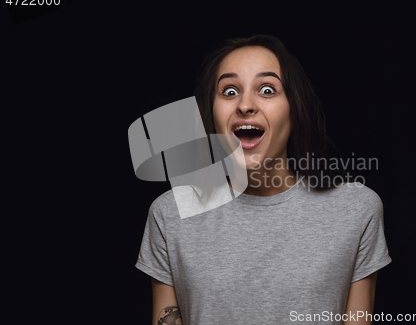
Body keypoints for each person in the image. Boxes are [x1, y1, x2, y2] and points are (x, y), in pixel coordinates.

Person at [135, 34, 392, 325]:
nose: (245, 105)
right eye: (229, 91)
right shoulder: (170, 213)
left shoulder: (356, 209)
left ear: (294, 109)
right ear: (211, 114)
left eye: (267, 89)